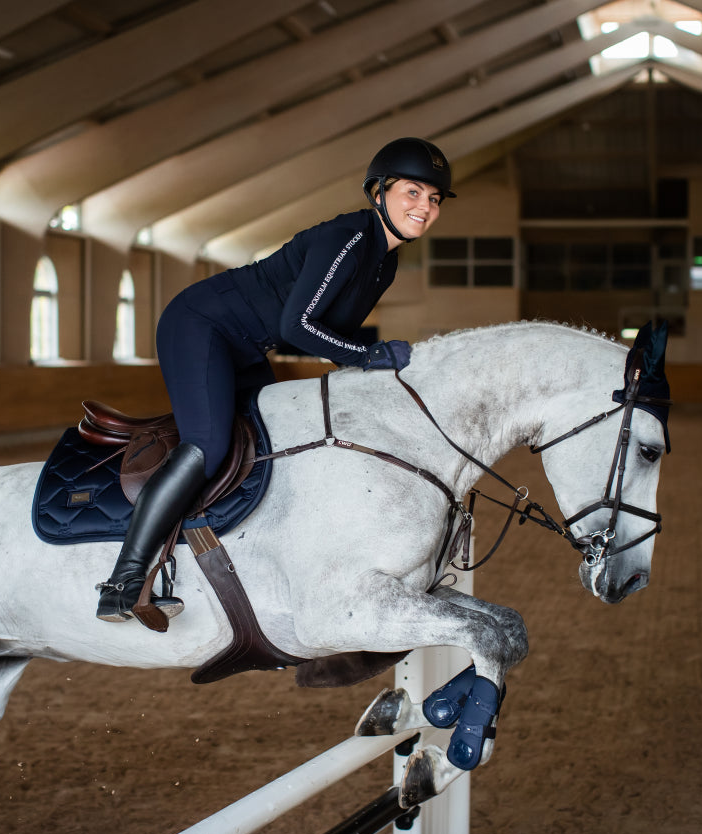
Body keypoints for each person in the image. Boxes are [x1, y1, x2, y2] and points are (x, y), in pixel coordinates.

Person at [95, 137, 456, 623]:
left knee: (273, 438)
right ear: (378, 193)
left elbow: (336, 337)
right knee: (208, 446)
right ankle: (123, 581)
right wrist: (371, 356)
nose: (425, 207)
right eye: (413, 192)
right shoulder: (350, 239)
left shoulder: (384, 262)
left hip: (247, 345)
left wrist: (379, 375)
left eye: (434, 198)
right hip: (201, 325)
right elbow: (299, 327)